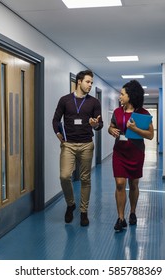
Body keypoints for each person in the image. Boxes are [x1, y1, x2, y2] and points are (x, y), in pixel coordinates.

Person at [52, 70, 103, 226]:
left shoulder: (94, 102)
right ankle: (70, 204)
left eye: (92, 83)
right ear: (79, 81)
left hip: (87, 144)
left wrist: (96, 125)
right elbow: (55, 120)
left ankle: (83, 212)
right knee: (64, 176)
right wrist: (58, 133)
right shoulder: (65, 100)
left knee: (85, 179)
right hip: (68, 145)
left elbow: (100, 124)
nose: (90, 85)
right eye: (88, 82)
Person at [108, 80, 154, 232]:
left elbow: (150, 135)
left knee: (133, 184)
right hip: (119, 152)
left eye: (122, 94)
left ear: (130, 96)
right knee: (120, 184)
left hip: (136, 152)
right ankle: (120, 218)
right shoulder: (117, 112)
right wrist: (111, 130)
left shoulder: (143, 114)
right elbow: (112, 126)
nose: (119, 96)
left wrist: (135, 129)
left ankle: (132, 212)